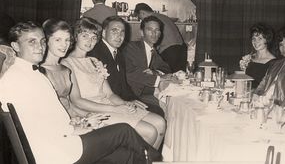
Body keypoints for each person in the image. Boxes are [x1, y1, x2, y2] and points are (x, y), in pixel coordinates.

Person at [0, 21, 161, 164]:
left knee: (125, 155)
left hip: (62, 140)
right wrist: (79, 127)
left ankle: (151, 159)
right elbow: (38, 123)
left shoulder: (29, 74)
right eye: (32, 42)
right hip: (57, 150)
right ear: (15, 46)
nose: (40, 47)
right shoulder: (19, 78)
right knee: (124, 132)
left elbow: (49, 115)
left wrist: (80, 123)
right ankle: (156, 160)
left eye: (42, 42)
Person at [63, 17, 165, 149]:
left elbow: (110, 94)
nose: (90, 41)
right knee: (150, 132)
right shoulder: (67, 63)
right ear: (75, 36)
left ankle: (145, 158)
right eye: (85, 36)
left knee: (160, 123)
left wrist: (125, 103)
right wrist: (115, 108)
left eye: (94, 37)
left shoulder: (95, 61)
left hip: (110, 105)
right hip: (92, 110)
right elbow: (76, 101)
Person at [88, 16, 165, 117]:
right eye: (114, 31)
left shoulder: (118, 53)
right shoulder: (96, 53)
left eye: (122, 32)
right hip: (107, 104)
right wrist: (126, 103)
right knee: (157, 113)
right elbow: (103, 91)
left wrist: (133, 100)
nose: (119, 36)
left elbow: (123, 85)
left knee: (157, 110)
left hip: (123, 99)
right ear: (103, 33)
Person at [123, 15, 176, 108]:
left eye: (157, 30)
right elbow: (131, 73)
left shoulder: (152, 50)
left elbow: (166, 68)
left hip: (147, 90)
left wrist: (155, 72)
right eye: (150, 30)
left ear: (160, 33)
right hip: (133, 94)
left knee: (173, 102)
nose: (154, 33)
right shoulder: (131, 48)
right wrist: (159, 78)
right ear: (142, 33)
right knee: (169, 106)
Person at [134, 2, 187, 73]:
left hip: (170, 51)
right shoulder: (162, 16)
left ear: (142, 13)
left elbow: (154, 40)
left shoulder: (153, 20)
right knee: (179, 77)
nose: (142, 20)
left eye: (140, 18)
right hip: (181, 49)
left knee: (167, 76)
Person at [254, 25, 285, 103]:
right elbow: (263, 84)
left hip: (280, 105)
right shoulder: (275, 63)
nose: (283, 48)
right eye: (281, 45)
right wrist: (255, 95)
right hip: (263, 102)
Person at [240, 23, 276, 89]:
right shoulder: (249, 58)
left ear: (267, 40)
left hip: (260, 97)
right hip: (246, 94)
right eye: (254, 38)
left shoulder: (274, 62)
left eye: (260, 38)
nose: (256, 41)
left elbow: (271, 87)